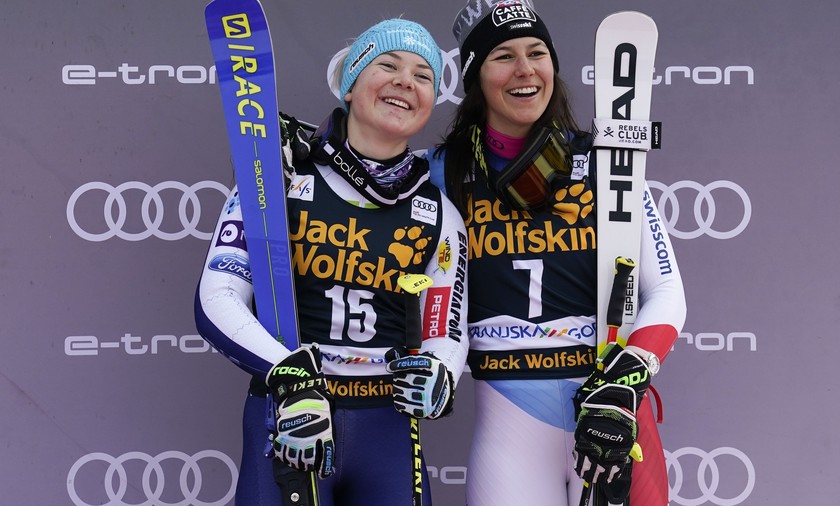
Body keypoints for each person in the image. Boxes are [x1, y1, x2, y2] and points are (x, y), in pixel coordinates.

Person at [195, 19, 469, 506]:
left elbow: (444, 328)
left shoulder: (439, 213)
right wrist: (288, 374)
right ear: (350, 83)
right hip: (290, 412)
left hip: (387, 424)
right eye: (388, 65)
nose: (406, 80)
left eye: (424, 75)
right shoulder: (276, 176)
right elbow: (217, 298)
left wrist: (440, 372)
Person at [427, 1, 686, 505]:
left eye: (537, 52)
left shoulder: (607, 163)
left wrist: (628, 374)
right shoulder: (441, 173)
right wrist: (305, 151)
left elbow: (668, 292)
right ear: (477, 75)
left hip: (609, 412)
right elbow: (359, 187)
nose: (525, 70)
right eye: (503, 56)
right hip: (510, 431)